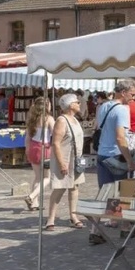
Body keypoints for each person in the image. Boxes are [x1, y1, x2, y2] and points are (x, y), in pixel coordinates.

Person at [91, 79, 135, 245]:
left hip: (102, 154)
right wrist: (129, 159)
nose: (133, 98)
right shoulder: (122, 110)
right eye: (132, 94)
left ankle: (95, 231)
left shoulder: (104, 106)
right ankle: (125, 228)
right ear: (123, 92)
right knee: (123, 192)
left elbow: (98, 127)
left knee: (104, 194)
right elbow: (121, 137)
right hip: (115, 155)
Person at [44, 94, 85, 231]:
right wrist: (62, 163)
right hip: (65, 159)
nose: (79, 104)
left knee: (74, 188)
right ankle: (51, 218)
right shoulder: (62, 120)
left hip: (76, 159)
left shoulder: (75, 119)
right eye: (77, 102)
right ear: (70, 105)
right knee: (60, 188)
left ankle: (73, 216)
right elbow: (55, 143)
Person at [24, 97, 55, 211]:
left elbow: (27, 138)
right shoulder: (48, 119)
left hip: (33, 147)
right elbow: (55, 133)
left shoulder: (31, 119)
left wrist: (27, 150)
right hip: (44, 148)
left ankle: (34, 203)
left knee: (37, 177)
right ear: (47, 106)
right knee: (47, 178)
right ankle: (31, 196)